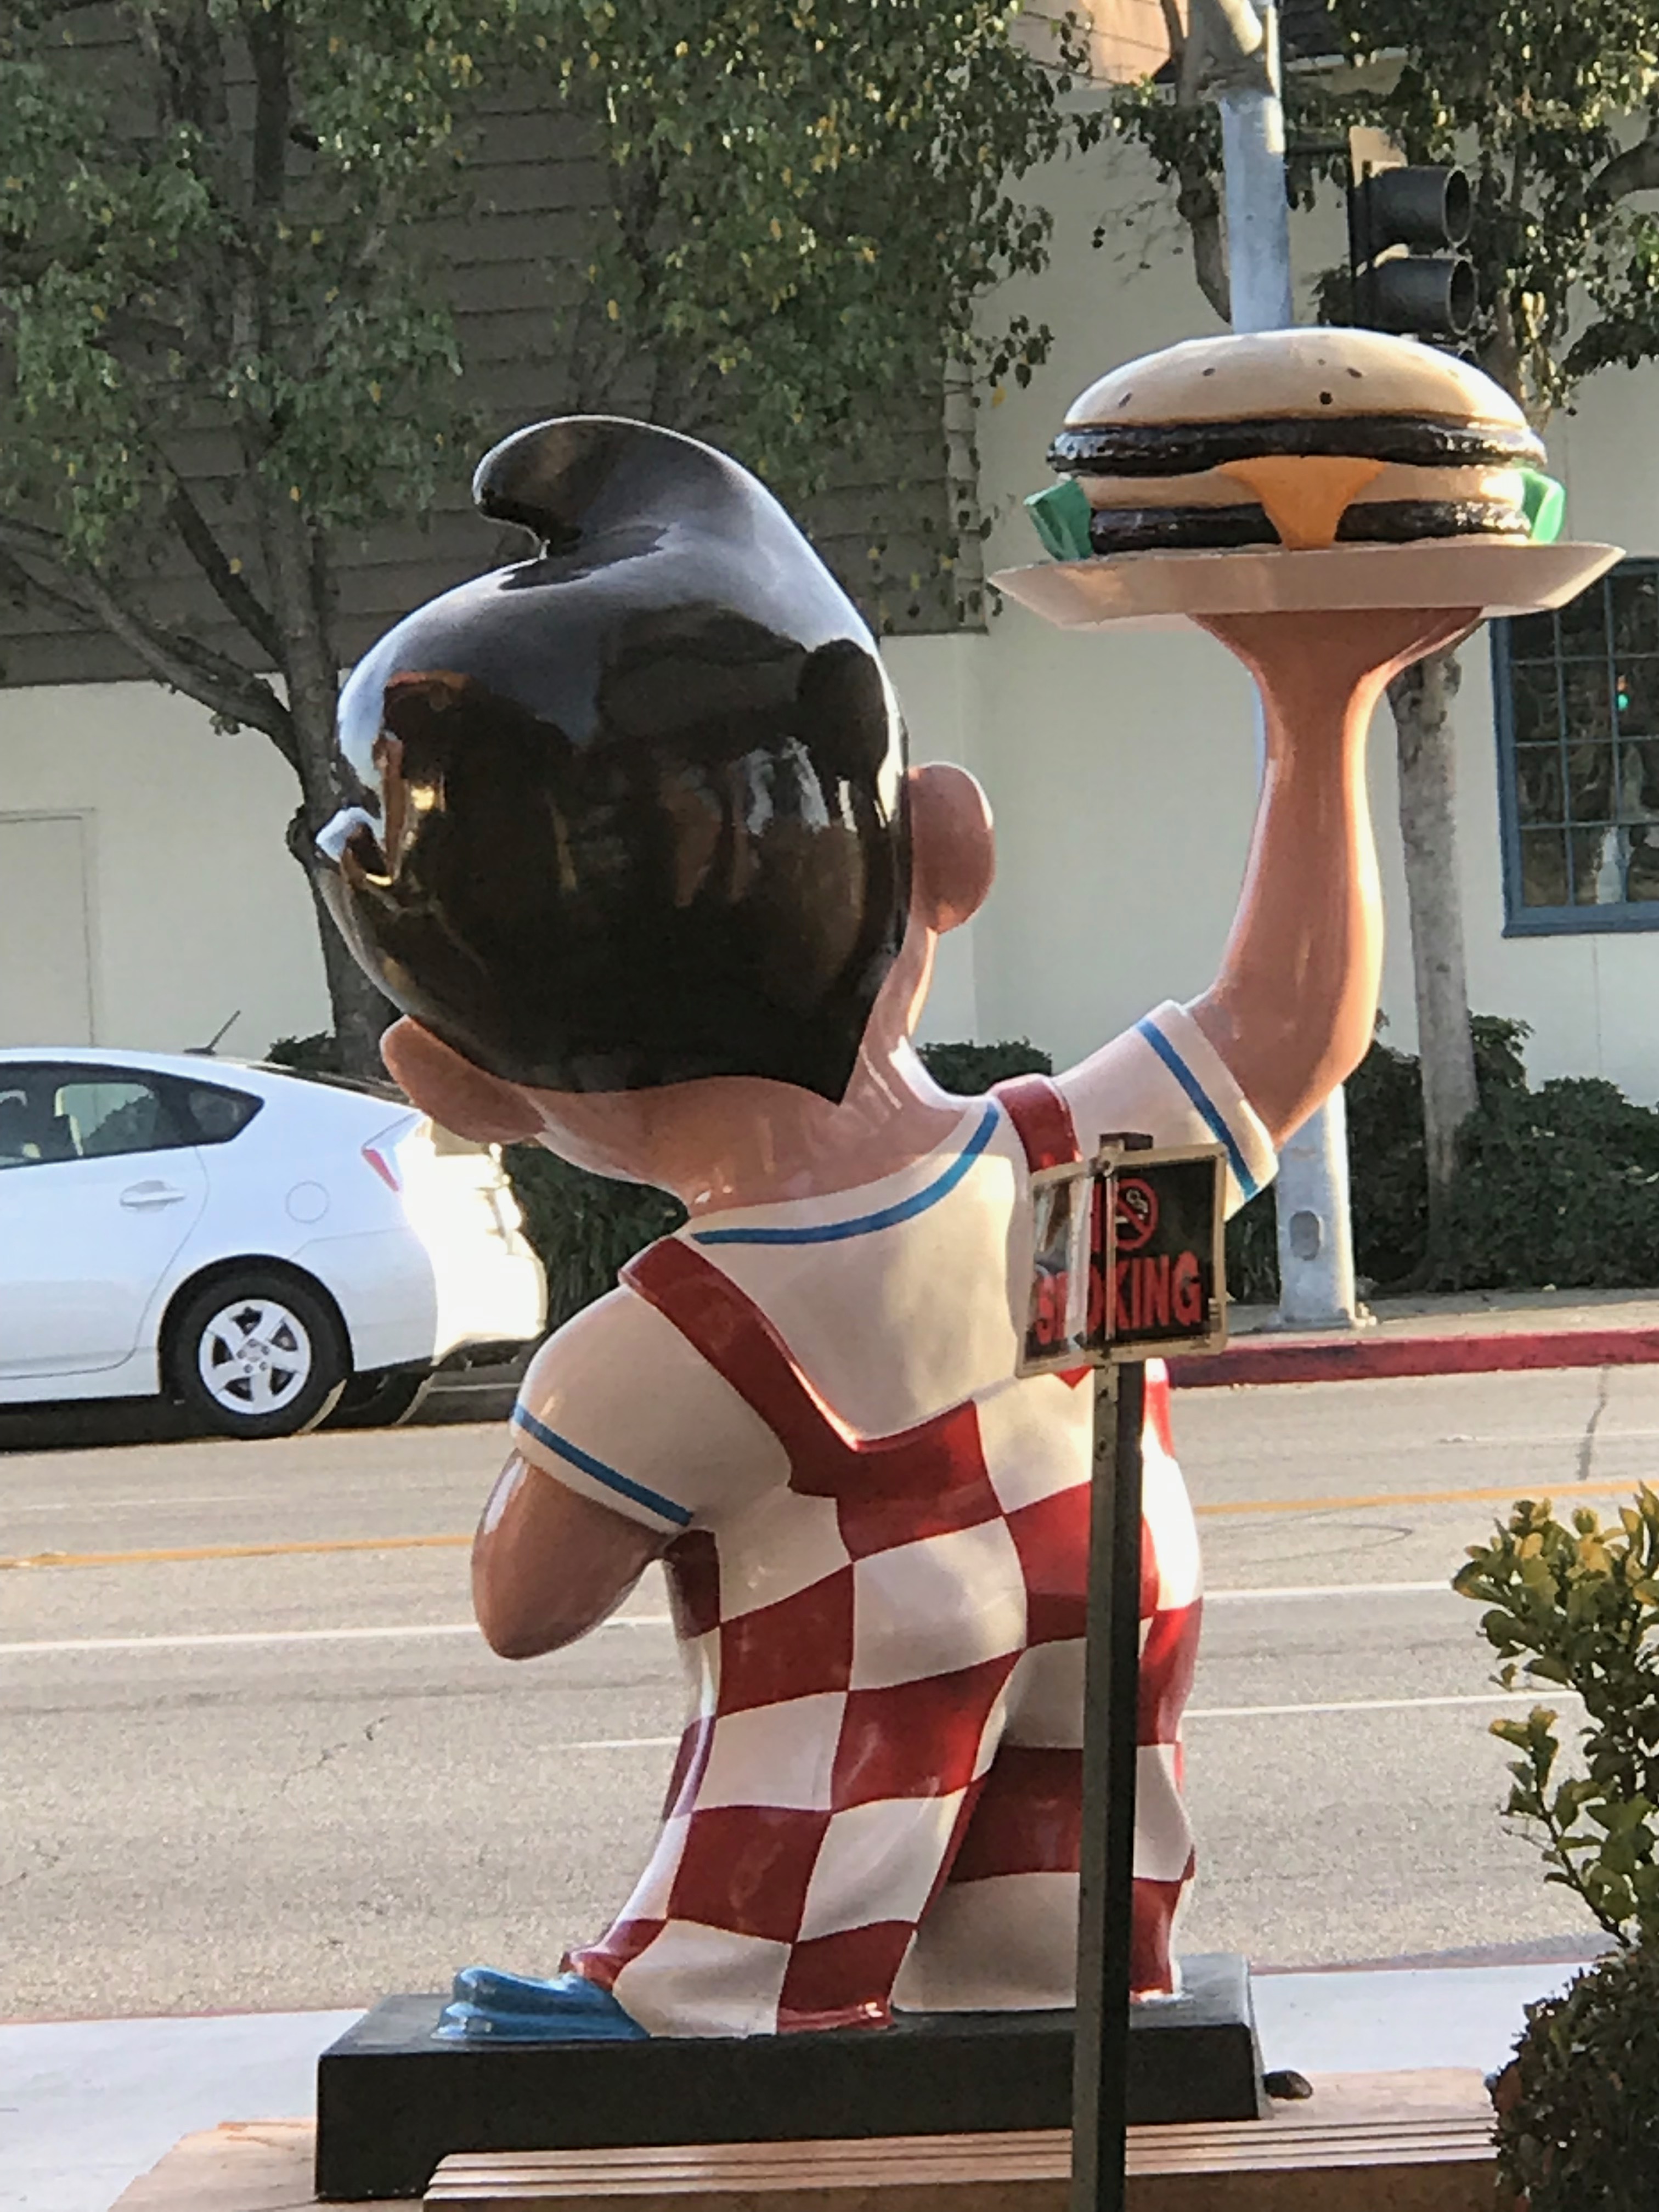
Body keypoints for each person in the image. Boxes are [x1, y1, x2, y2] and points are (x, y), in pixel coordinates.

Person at [316, 415, 1468, 2041]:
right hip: (1114, 1609)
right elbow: (1291, 1028)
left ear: (472, 1080)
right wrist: (1318, 704)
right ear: (948, 849)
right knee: (1053, 1933)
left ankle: (701, 2004)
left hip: (830, 1763)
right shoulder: (1061, 1165)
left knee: (788, 1873)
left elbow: (526, 1602)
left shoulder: (672, 1341)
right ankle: (1033, 1999)